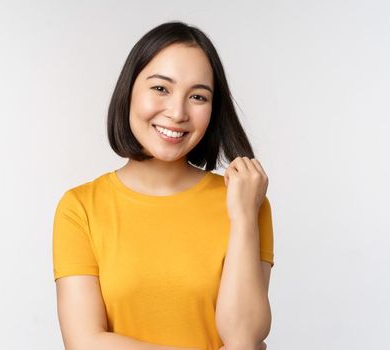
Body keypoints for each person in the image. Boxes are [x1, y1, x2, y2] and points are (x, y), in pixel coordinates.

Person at [52, 21, 273, 350]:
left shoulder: (244, 202)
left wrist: (242, 218)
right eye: (160, 88)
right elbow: (84, 343)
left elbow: (244, 337)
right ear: (130, 91)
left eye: (198, 96)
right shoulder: (80, 208)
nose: (177, 112)